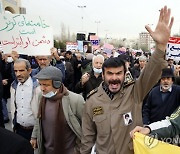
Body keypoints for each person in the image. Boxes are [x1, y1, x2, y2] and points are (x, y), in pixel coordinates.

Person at [80, 6, 174, 154]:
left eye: (119, 74)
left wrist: (161, 46)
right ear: (103, 76)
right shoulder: (92, 101)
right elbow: (87, 138)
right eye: (110, 74)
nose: (114, 78)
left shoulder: (135, 92)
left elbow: (152, 71)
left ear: (125, 74)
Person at [30, 66, 85, 154]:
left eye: (46, 85)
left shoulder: (75, 100)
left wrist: (78, 150)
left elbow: (87, 128)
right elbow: (39, 118)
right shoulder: (42, 97)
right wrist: (34, 136)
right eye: (40, 84)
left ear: (57, 84)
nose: (42, 88)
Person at [10, 58, 41, 140]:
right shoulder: (14, 87)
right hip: (19, 130)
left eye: (21, 70)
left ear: (29, 71)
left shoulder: (38, 87)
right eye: (15, 71)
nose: (18, 74)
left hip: (36, 131)